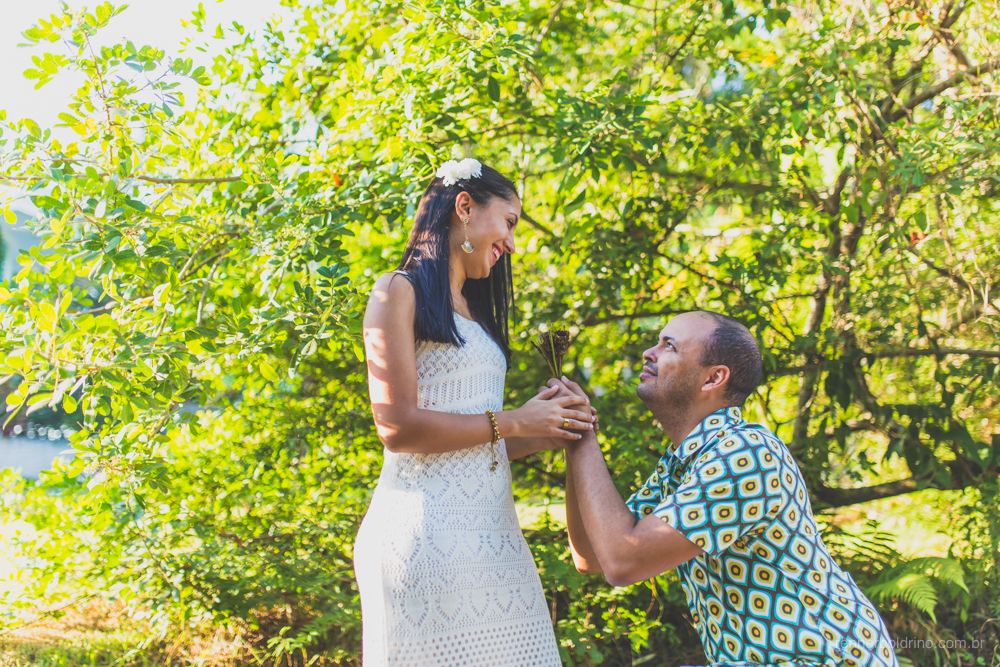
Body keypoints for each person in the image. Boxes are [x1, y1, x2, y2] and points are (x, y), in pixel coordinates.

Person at [552, 311, 898, 667]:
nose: (648, 352)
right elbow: (591, 557)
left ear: (713, 378)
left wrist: (583, 438)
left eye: (668, 346)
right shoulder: (684, 463)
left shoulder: (745, 452)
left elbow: (624, 561)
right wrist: (575, 436)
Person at [355, 157, 596, 666]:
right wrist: (512, 420)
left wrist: (548, 425)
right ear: (464, 206)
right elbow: (396, 427)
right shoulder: (396, 291)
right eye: (509, 221)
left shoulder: (475, 312)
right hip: (428, 532)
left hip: (493, 533)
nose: (512, 241)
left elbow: (483, 438)